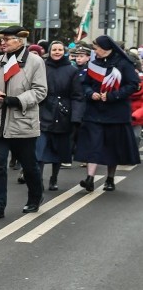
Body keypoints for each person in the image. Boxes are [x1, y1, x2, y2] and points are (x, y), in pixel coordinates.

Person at [0, 26, 47, 220]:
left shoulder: (35, 62)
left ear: (20, 41)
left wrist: (17, 100)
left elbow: (40, 90)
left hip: (22, 122)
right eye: (1, 40)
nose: (2, 43)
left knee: (28, 165)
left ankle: (35, 197)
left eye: (7, 39)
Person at [75, 35, 142, 191]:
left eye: (96, 47)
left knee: (113, 147)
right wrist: (90, 93)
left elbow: (133, 85)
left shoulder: (124, 64)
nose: (94, 51)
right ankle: (89, 178)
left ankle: (110, 179)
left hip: (116, 113)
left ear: (105, 48)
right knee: (93, 145)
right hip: (94, 112)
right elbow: (85, 84)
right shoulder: (93, 63)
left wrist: (112, 96)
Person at [37, 41, 84, 191]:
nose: (57, 52)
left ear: (63, 52)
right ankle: (38, 180)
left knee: (58, 149)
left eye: (60, 49)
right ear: (50, 51)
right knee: (40, 148)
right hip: (43, 109)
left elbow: (77, 95)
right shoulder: (42, 67)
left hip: (63, 112)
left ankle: (54, 178)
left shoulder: (71, 70)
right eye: (54, 49)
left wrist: (76, 116)